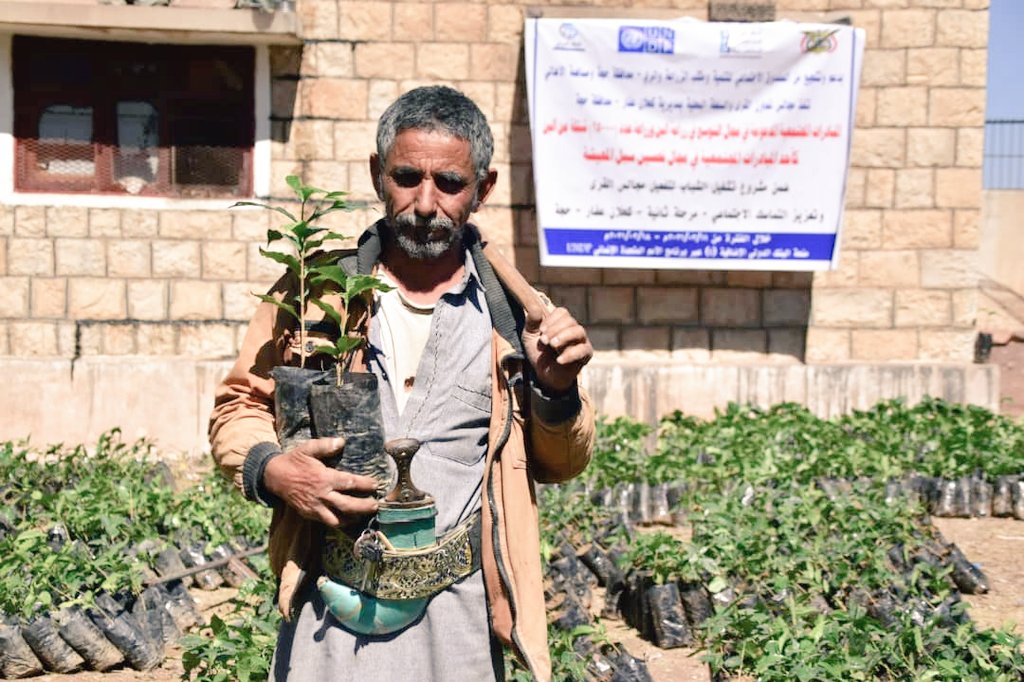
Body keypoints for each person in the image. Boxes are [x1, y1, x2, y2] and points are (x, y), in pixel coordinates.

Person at [208, 85, 595, 681]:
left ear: (483, 189)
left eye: (449, 183)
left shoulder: (518, 319)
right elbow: (239, 407)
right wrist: (273, 470)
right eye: (407, 176)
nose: (424, 201)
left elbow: (562, 462)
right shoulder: (314, 296)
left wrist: (556, 393)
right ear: (376, 175)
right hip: (329, 605)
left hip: (459, 613)